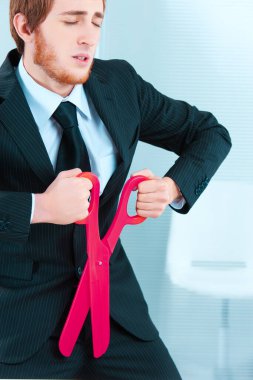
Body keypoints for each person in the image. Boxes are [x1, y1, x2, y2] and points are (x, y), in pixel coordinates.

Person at [0, 0, 231, 378]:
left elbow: (208, 133)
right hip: (24, 329)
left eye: (96, 22)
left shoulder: (120, 85)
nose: (88, 37)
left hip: (116, 314)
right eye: (71, 21)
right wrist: (37, 207)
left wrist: (172, 187)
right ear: (26, 27)